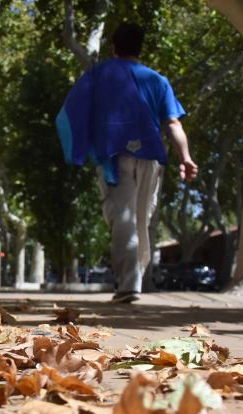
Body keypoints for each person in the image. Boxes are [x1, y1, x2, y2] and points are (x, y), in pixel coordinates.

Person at [99, 23, 197, 303]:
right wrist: (186, 158)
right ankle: (135, 279)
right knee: (140, 218)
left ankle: (129, 283)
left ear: (113, 48)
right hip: (150, 155)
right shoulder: (157, 81)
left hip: (115, 155)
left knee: (122, 217)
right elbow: (173, 123)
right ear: (140, 49)